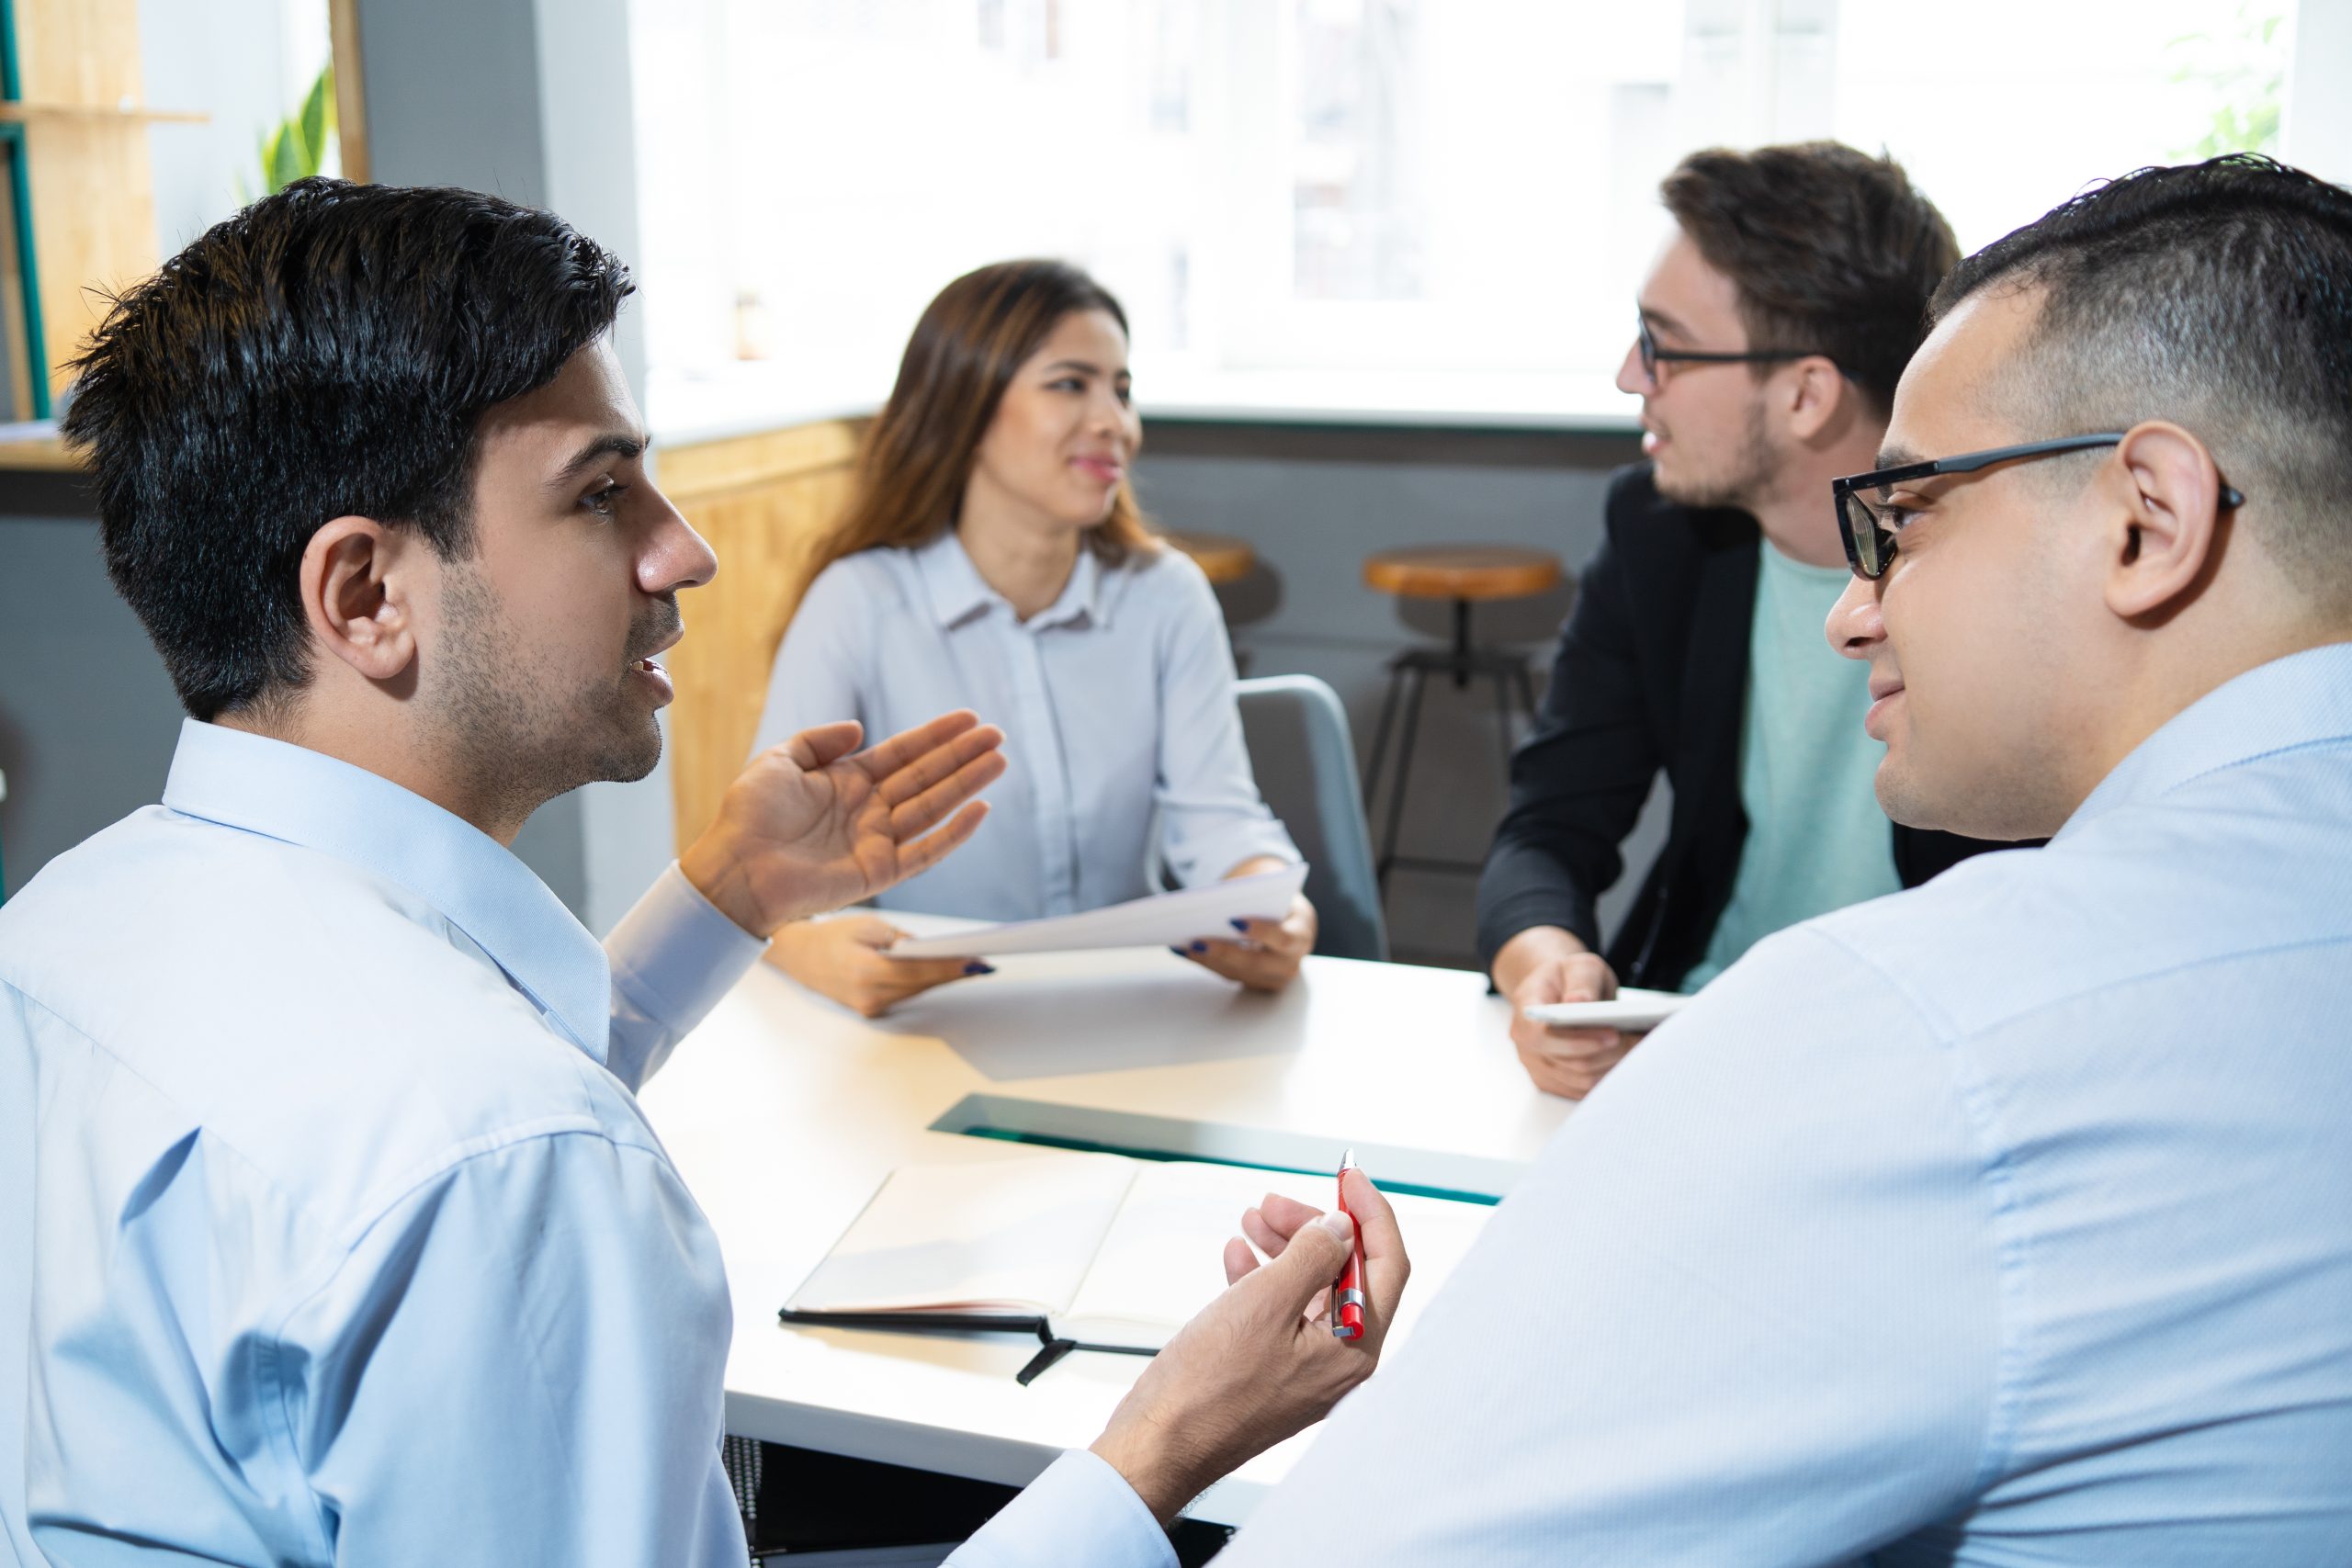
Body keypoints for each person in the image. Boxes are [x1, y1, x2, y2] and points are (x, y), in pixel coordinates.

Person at [0, 179, 1407, 1566]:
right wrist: (1164, 1443)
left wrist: (728, 895)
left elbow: (401, 1129)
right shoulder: (512, 1164)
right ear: (366, 594)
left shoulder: (60, 933)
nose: (686, 546)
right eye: (601, 491)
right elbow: (476, 1147)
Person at [1216, 153, 2352, 1562]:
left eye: (1911, 516)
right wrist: (1540, 951)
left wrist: (1158, 1446)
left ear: (2148, 517)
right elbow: (1553, 817)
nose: (1853, 615)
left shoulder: (1925, 1028)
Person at [1478, 142, 2012, 1099]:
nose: (1627, 377)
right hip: (1686, 1045)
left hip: (1916, 1082)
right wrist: (1543, 962)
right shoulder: (1659, 535)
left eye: (1663, 346)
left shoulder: (2007, 571)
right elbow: (1548, 823)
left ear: (1806, 394)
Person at [751, 260, 1317, 1018]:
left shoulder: (1167, 597)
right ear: (967, 406)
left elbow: (1216, 817)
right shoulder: (859, 604)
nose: (1115, 422)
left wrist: (1273, 902)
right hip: (931, 1017)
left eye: (1122, 388)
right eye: (1070, 384)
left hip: (1127, 1009)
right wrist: (808, 947)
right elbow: (766, 866)